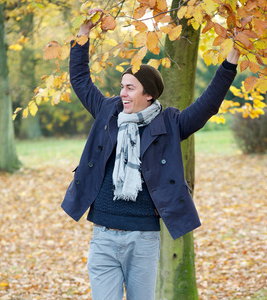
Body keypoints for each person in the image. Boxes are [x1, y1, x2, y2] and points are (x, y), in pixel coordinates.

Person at [61, 8, 240, 300]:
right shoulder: (108, 112)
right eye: (121, 87)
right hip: (103, 235)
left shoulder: (171, 123)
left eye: (130, 88)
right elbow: (80, 81)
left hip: (143, 239)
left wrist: (230, 62)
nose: (122, 93)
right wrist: (83, 35)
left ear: (149, 95)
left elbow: (208, 104)